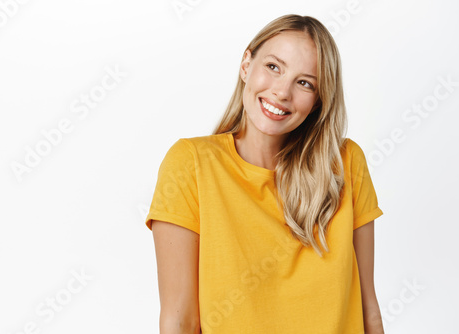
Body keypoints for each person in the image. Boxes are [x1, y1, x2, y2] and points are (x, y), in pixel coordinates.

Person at [145, 14, 384, 334]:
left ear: (317, 101)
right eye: (274, 67)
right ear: (246, 64)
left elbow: (369, 310)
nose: (282, 92)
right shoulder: (192, 164)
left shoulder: (344, 164)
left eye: (304, 83)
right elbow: (180, 321)